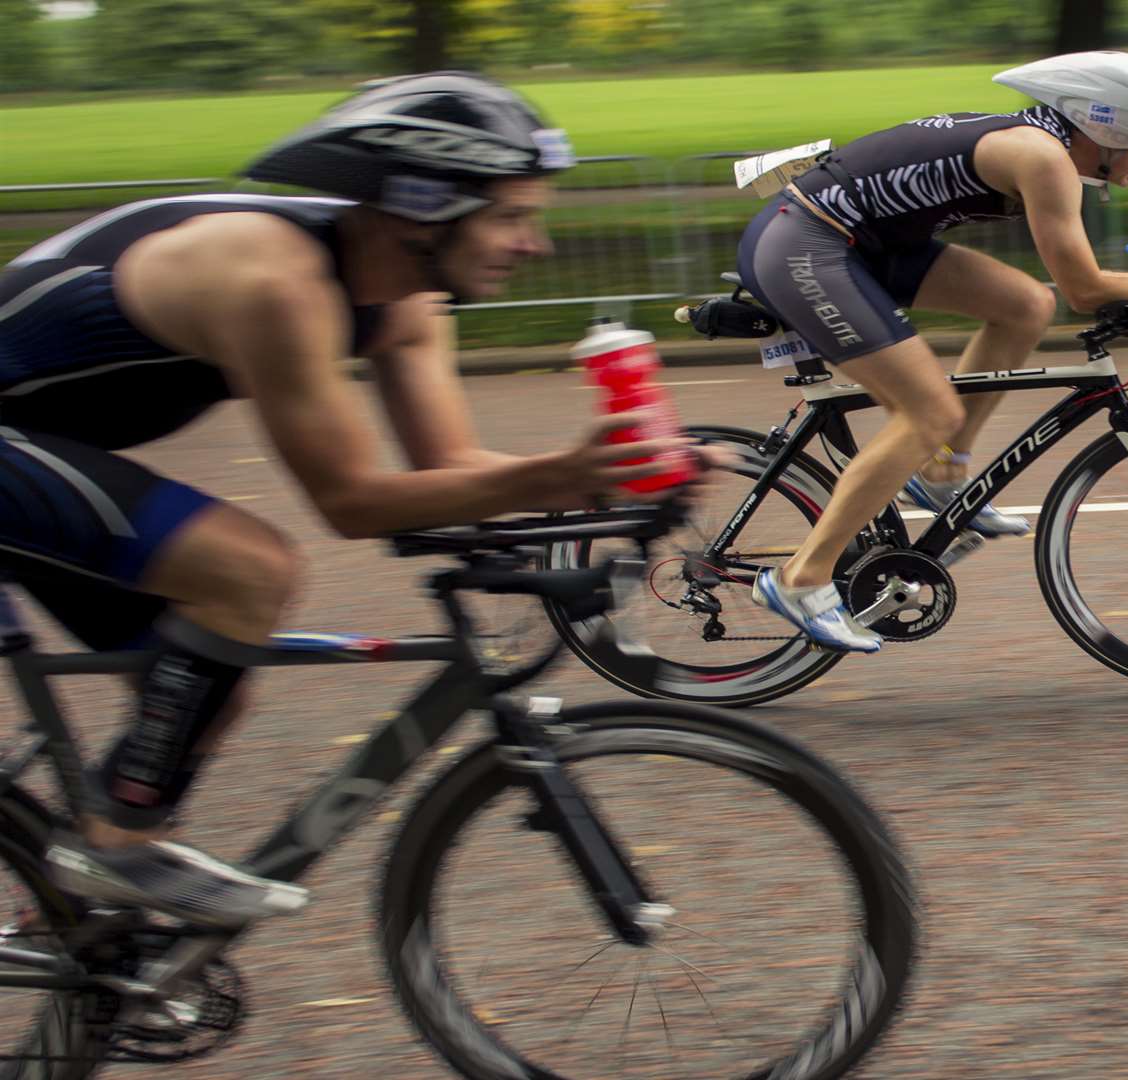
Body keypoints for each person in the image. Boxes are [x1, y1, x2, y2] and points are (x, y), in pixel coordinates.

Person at [1, 72, 711, 927]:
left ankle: (82, 947)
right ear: (422, 208)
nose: (537, 245)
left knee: (206, 678)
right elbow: (353, 502)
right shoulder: (274, 283)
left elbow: (445, 468)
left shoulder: (407, 301)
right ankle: (113, 852)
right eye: (512, 216)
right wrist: (561, 474)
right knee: (247, 572)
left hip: (40, 446)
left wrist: (621, 487)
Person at [736, 51, 1128, 653]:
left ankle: (941, 474)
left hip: (868, 246)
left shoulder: (1044, 147)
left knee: (1026, 305)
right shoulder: (1041, 157)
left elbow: (1077, 283)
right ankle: (801, 578)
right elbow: (1088, 291)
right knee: (929, 413)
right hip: (808, 243)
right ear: (1109, 126)